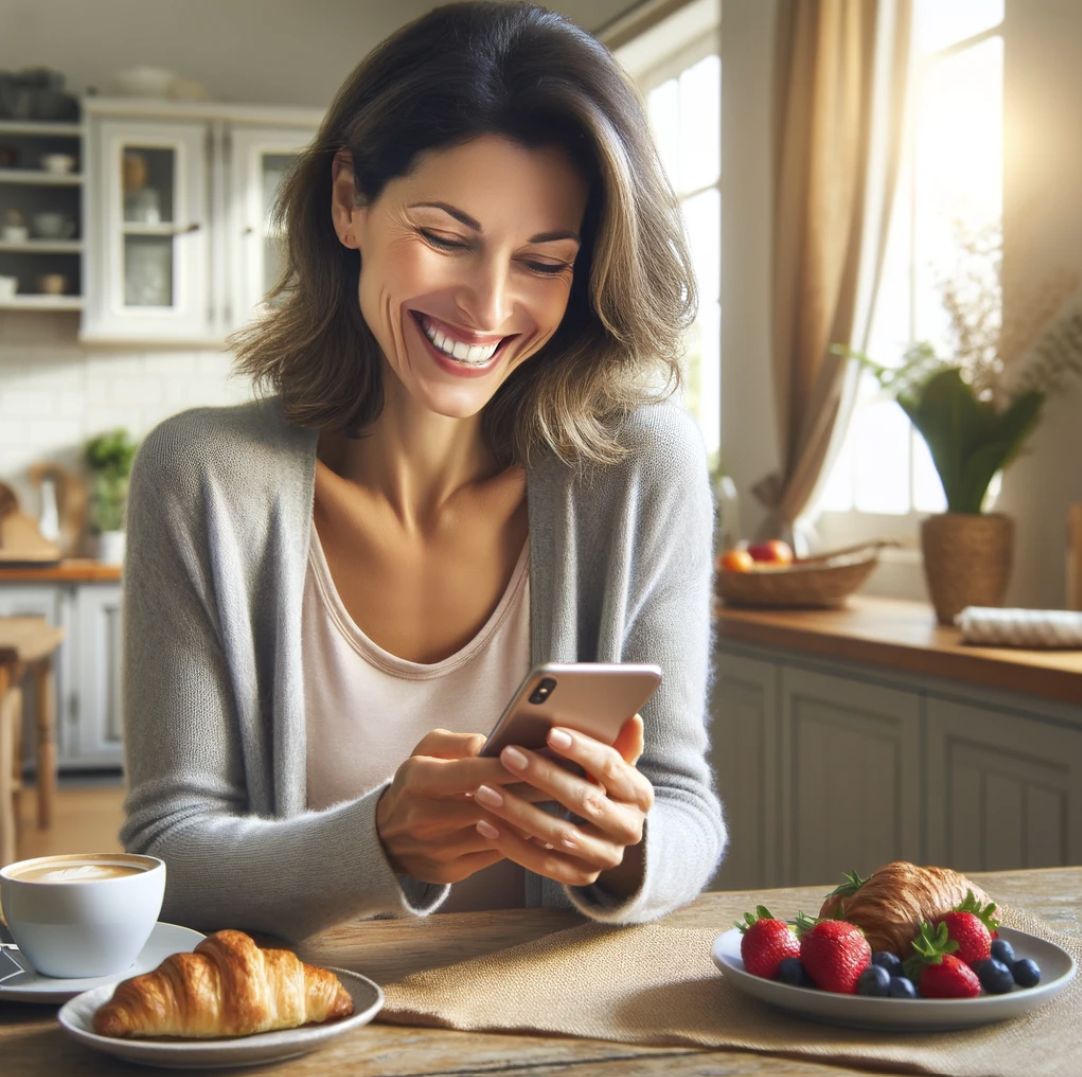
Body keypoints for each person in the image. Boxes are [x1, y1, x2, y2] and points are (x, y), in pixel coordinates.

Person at [120, 0, 726, 941]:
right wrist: (381, 842)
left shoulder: (639, 464)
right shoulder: (202, 476)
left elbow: (685, 802)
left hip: (551, 1024)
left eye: (544, 259)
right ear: (348, 201)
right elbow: (169, 851)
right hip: (302, 1029)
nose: (487, 307)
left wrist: (630, 844)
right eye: (446, 236)